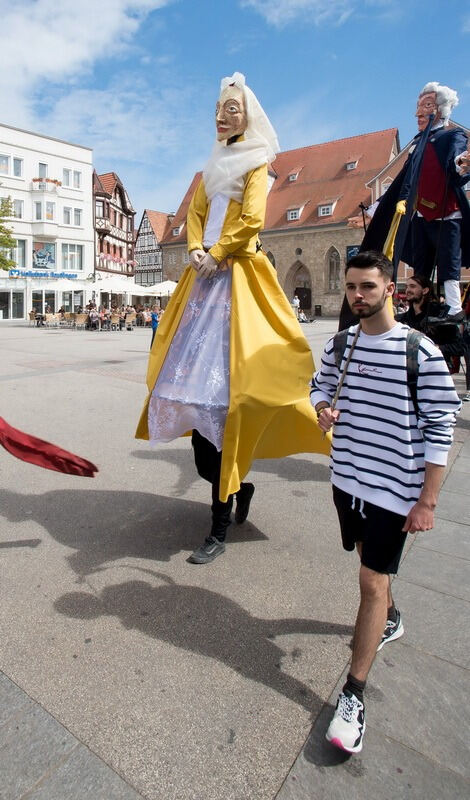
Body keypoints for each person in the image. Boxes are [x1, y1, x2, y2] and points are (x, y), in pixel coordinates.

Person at [136, 71, 329, 564]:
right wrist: (197, 248)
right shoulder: (210, 167)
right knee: (198, 422)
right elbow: (196, 215)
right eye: (218, 111)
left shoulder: (257, 163)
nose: (222, 117)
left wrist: (219, 252)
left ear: (248, 116)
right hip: (203, 279)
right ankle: (239, 489)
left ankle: (218, 528)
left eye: (231, 110)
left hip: (238, 274)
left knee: (229, 405)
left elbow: (253, 220)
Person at [311, 250, 460, 754]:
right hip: (347, 480)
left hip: (396, 490)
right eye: (352, 287)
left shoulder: (421, 351)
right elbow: (320, 386)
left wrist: (428, 502)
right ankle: (391, 616)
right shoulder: (340, 345)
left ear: (390, 290)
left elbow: (442, 426)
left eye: (368, 287)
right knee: (364, 562)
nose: (357, 296)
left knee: (371, 580)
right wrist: (322, 409)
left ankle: (353, 695)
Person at [360, 82, 470, 321]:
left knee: (448, 262)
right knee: (421, 265)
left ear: (440, 109)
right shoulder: (417, 144)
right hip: (421, 215)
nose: (418, 113)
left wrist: (463, 163)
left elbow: (456, 160)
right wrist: (373, 211)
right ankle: (418, 309)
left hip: (447, 214)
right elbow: (401, 184)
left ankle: (453, 307)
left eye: (426, 106)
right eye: (418, 107)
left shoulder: (452, 135)